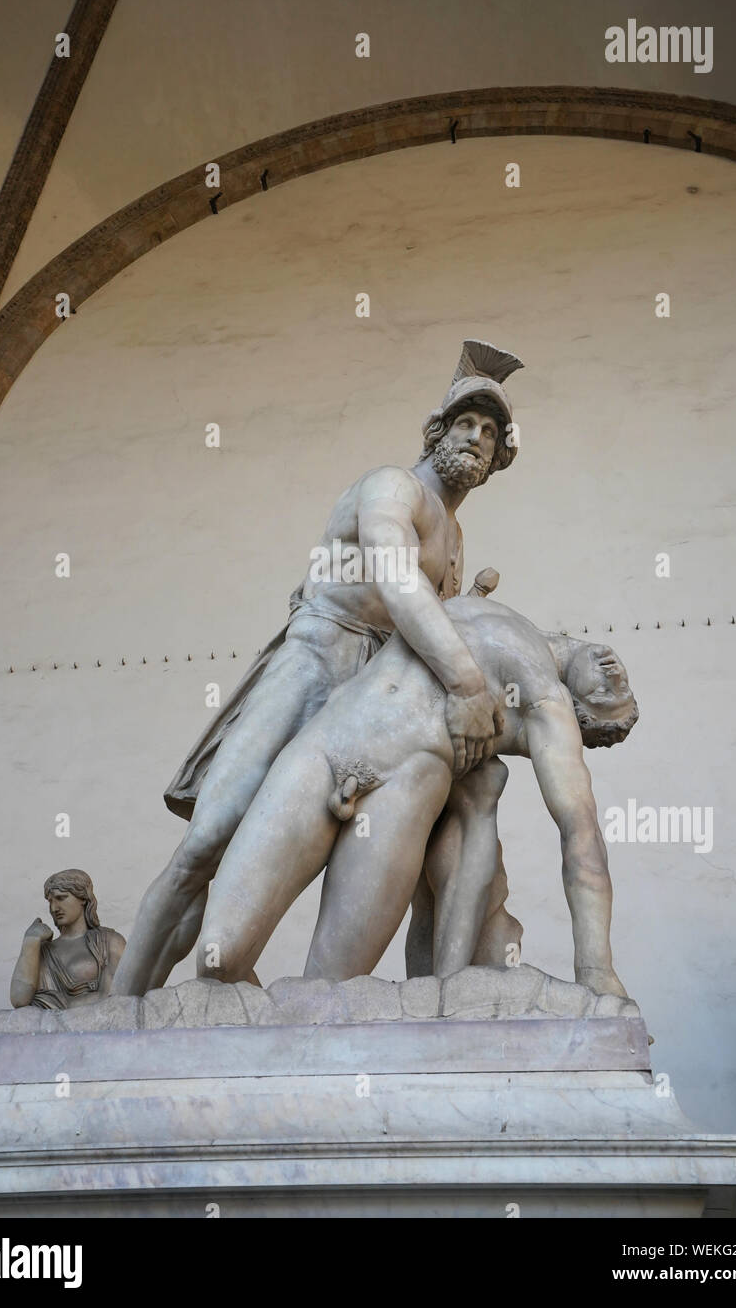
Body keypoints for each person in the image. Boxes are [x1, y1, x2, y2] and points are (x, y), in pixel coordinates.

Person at [113, 341, 523, 996]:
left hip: (377, 693)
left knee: (430, 836)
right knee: (210, 839)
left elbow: (425, 623)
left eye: (490, 433)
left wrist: (467, 628)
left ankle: (436, 1000)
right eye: (466, 424)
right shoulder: (394, 486)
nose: (476, 439)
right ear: (437, 430)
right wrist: (466, 679)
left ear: (499, 458)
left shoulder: (453, 537)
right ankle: (122, 1001)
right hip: (318, 656)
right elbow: (393, 579)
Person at [194, 595, 639, 997]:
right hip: (324, 749)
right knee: (218, 958)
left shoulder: (546, 703)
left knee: (323, 996)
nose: (615, 675)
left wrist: (595, 967)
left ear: (582, 718)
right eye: (623, 686)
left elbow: (580, 831)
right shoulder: (483, 605)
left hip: (396, 795)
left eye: (608, 696)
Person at [10, 869, 126, 1009]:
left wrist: (60, 1005)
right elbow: (19, 1000)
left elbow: (115, 995)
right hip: (50, 1024)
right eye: (50, 901)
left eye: (61, 898)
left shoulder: (109, 941)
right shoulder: (43, 951)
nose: (54, 908)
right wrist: (30, 941)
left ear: (83, 898)